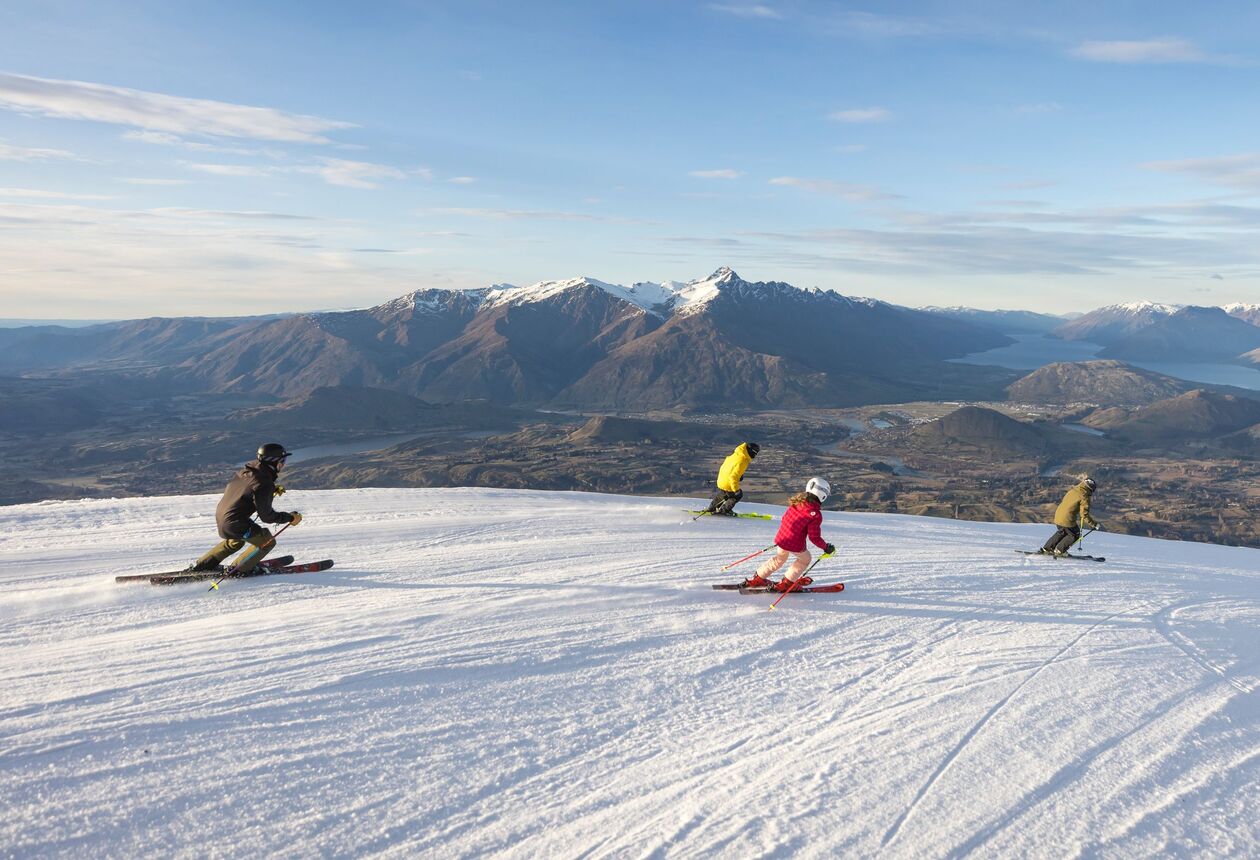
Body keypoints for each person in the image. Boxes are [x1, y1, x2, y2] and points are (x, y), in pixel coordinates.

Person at [187, 442, 303, 573]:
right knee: (267, 541)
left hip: (222, 518)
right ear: (274, 461)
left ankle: (202, 565)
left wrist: (270, 491)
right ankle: (239, 570)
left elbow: (248, 489)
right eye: (283, 460)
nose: (284, 463)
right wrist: (289, 517)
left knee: (235, 542)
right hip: (236, 522)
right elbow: (266, 516)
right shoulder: (264, 482)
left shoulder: (247, 471)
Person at [743, 477, 836, 592]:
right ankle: (787, 583)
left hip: (781, 539)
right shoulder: (815, 514)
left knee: (779, 559)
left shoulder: (797, 503)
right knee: (805, 559)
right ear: (823, 495)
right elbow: (814, 537)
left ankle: (758, 578)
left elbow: (784, 519)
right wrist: (826, 547)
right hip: (794, 544)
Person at [1040, 476, 1101, 556]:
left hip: (1058, 515)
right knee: (1074, 534)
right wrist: (1094, 524)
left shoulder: (1074, 489)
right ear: (1090, 489)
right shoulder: (1085, 496)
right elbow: (1084, 515)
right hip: (1067, 519)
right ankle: (1059, 551)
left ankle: (1047, 548)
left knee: (1062, 532)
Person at [704, 441, 760, 516]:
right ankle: (725, 510)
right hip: (728, 481)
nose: (755, 455)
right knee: (737, 495)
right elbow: (733, 477)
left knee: (724, 493)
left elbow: (728, 466)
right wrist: (736, 490)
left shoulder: (736, 454)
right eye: (755, 453)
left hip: (721, 479)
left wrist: (739, 476)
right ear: (751, 452)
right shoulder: (743, 460)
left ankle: (712, 508)